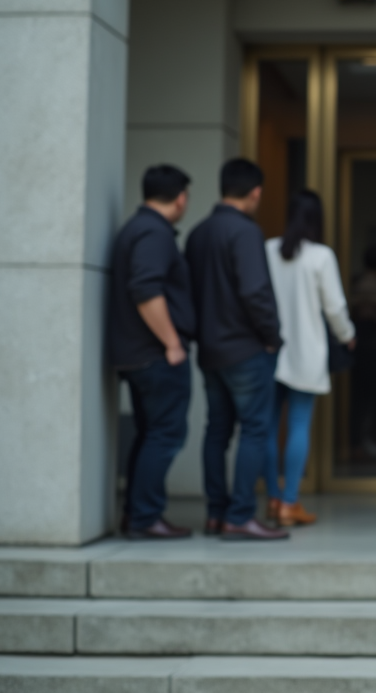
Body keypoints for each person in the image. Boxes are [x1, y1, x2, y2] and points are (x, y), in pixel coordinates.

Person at [186, 158, 288, 541]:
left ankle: (216, 514)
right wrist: (272, 336)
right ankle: (241, 515)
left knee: (216, 432)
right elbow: (255, 292)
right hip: (246, 349)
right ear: (256, 192)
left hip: (210, 351)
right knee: (255, 430)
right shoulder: (244, 232)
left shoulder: (198, 233)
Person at [109, 164, 196, 540]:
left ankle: (137, 515)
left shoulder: (137, 228)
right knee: (166, 434)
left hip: (138, 354)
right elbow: (146, 290)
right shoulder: (154, 233)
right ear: (180, 198)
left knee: (150, 433)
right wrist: (172, 343)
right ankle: (145, 517)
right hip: (155, 355)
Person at [264, 190, 356, 527]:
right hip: (306, 351)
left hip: (269, 351)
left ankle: (273, 500)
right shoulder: (320, 256)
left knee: (268, 428)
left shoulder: (268, 250)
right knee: (299, 425)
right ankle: (290, 503)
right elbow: (334, 308)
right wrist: (347, 335)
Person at [349, 245, 376, 459]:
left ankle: (362, 443)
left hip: (362, 345)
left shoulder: (360, 282)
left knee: (362, 397)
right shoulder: (372, 284)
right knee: (371, 396)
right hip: (370, 345)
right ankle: (366, 443)